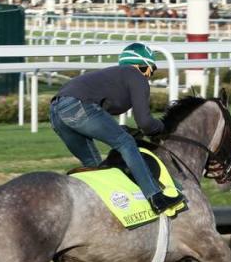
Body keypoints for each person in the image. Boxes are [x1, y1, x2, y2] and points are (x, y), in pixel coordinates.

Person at [49, 42, 185, 214]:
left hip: (55, 111)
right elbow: (145, 122)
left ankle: (96, 209)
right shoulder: (136, 76)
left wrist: (124, 129)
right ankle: (156, 197)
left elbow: (100, 120)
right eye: (153, 69)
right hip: (78, 106)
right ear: (143, 66)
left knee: (95, 166)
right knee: (126, 143)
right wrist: (162, 127)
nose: (151, 74)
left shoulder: (114, 76)